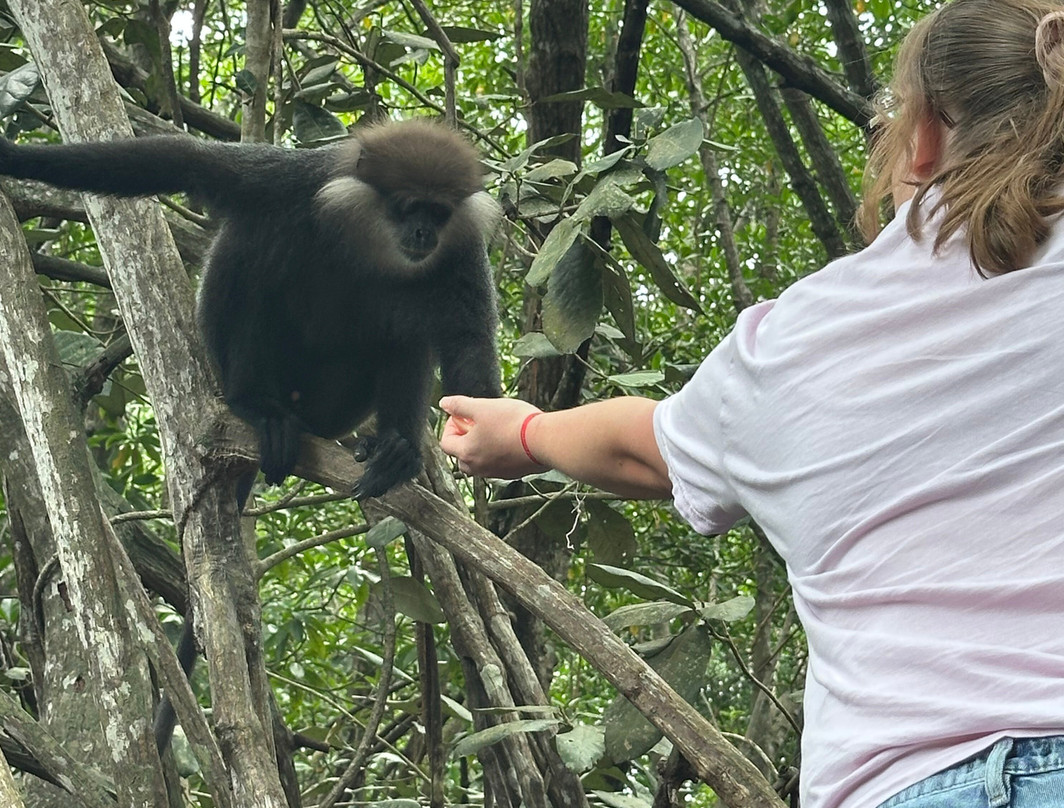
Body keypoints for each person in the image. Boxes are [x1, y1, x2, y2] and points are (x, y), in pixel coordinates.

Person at [439, 2, 1064, 807]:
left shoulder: (800, 336)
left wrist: (523, 433)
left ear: (930, 134)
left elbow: (645, 448)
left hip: (903, 779)